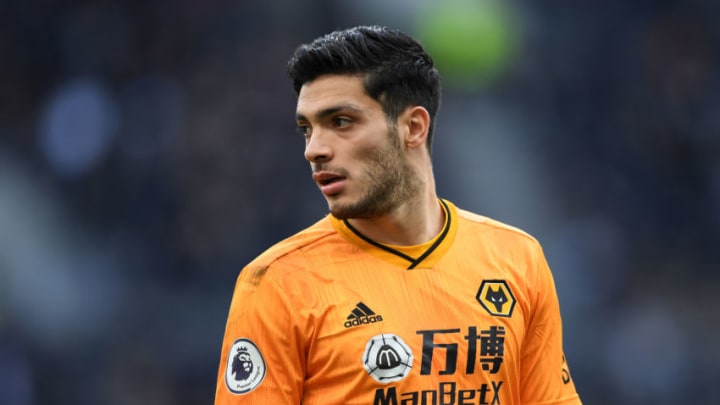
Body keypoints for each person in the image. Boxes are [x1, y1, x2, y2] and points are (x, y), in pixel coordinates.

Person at [214, 25, 582, 404]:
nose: (315, 149)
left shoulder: (517, 259)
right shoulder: (278, 282)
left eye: (341, 122)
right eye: (307, 129)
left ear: (413, 127)